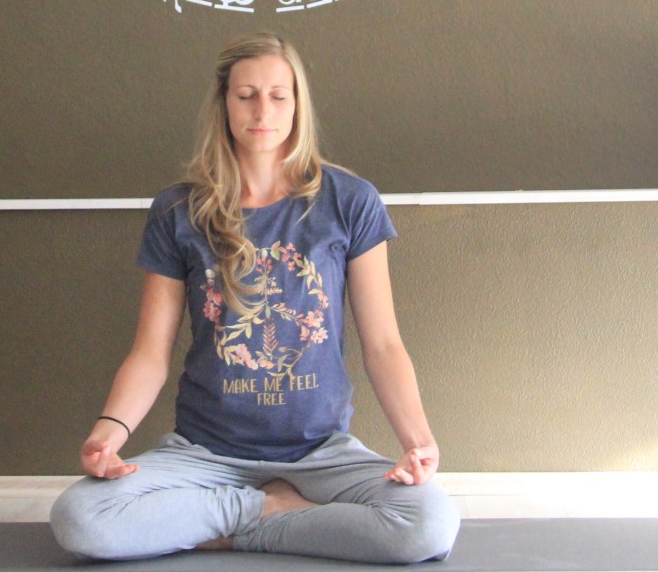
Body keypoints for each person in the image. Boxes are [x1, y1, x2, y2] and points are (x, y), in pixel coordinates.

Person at [50, 32, 460, 564]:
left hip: (321, 454)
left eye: (278, 96)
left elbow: (383, 344)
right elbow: (150, 353)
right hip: (204, 455)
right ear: (224, 103)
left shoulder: (349, 201)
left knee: (429, 524)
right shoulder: (178, 210)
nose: (262, 110)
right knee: (81, 518)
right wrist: (109, 433)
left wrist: (419, 443)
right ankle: (271, 512)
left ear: (297, 104)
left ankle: (225, 523)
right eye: (246, 95)